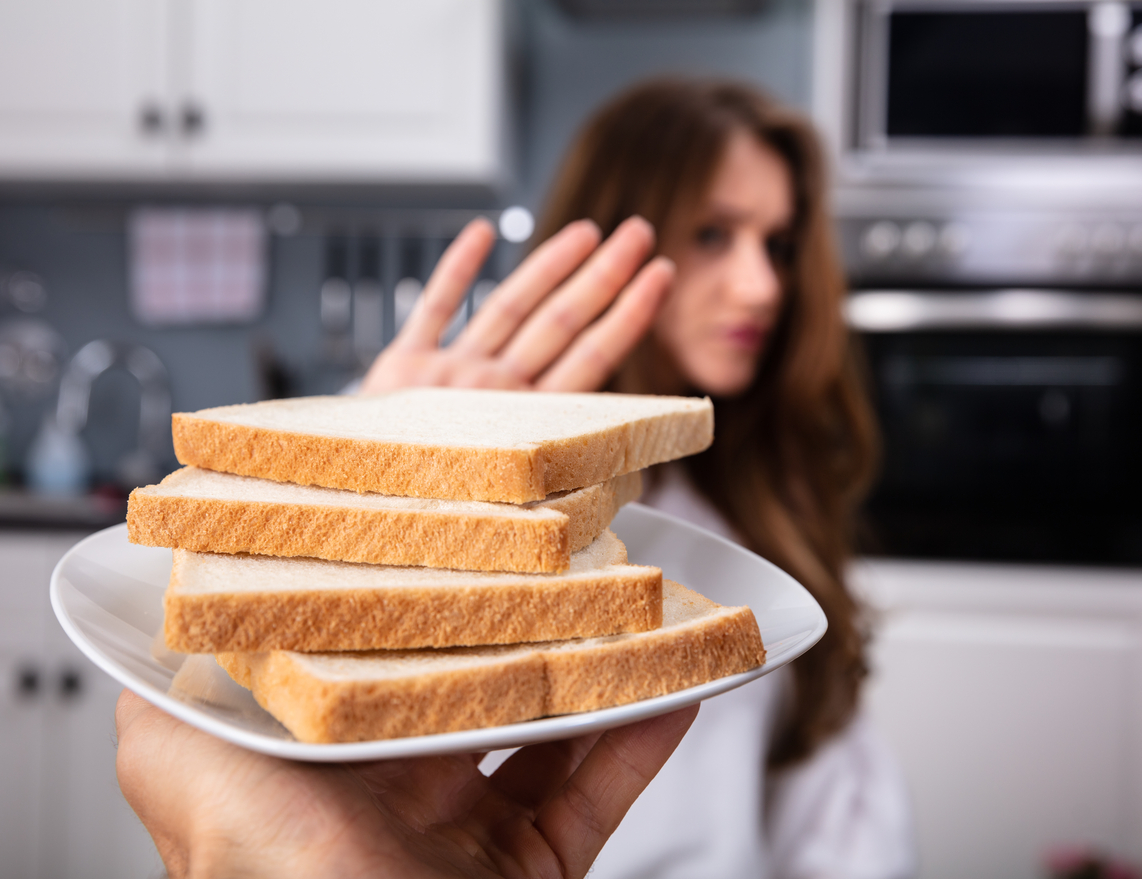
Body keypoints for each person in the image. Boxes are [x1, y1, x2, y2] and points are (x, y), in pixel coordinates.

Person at [115, 79, 915, 878]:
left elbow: (837, 802)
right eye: (713, 234)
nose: (763, 286)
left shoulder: (770, 507)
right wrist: (372, 438)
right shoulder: (529, 478)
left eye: (777, 245)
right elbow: (229, 681)